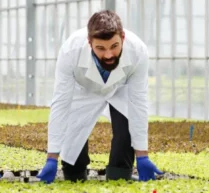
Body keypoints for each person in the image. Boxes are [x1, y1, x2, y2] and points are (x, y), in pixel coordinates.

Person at [37, 10, 163, 183]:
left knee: (126, 127)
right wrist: (52, 158)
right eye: (100, 48)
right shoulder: (70, 51)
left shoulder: (138, 51)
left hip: (120, 90)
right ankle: (75, 171)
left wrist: (142, 155)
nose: (109, 55)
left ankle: (120, 173)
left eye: (114, 46)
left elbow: (138, 103)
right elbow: (60, 104)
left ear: (123, 38)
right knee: (73, 148)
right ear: (89, 43)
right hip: (83, 91)